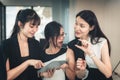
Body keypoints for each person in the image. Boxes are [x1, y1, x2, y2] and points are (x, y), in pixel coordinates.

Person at [1, 9, 44, 80]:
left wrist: (43, 74)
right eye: (31, 26)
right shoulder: (6, 45)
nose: (35, 30)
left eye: (37, 26)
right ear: (20, 24)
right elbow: (6, 77)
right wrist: (27, 62)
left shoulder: (36, 44)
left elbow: (36, 72)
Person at [69, 10, 113, 80]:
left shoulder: (101, 41)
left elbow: (108, 73)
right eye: (76, 24)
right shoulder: (73, 44)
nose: (76, 28)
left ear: (91, 27)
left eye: (82, 26)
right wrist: (82, 70)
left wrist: (91, 54)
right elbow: (79, 76)